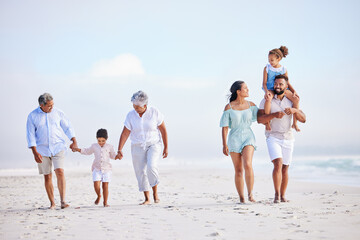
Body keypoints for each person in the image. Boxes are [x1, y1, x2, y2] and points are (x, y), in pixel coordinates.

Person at [257, 75, 306, 203]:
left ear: (286, 86)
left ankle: (283, 196)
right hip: (272, 136)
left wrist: (294, 110)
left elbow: (303, 119)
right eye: (276, 84)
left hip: (288, 137)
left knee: (285, 168)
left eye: (281, 84)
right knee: (278, 164)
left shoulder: (291, 100)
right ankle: (277, 195)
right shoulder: (266, 100)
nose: (277, 86)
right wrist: (273, 115)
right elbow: (260, 120)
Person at [26, 93, 78, 209]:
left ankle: (63, 201)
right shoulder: (32, 116)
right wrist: (35, 152)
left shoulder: (58, 113)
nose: (51, 107)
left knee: (60, 171)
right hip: (41, 150)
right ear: (41, 105)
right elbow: (30, 135)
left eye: (52, 105)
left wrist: (73, 141)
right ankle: (52, 203)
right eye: (49, 106)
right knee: (47, 176)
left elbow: (67, 127)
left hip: (58, 146)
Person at [116, 91, 168, 205]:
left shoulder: (154, 112)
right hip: (137, 145)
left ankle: (155, 192)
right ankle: (147, 198)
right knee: (140, 171)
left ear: (145, 105)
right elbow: (125, 133)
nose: (135, 108)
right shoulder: (130, 115)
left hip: (153, 143)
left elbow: (163, 130)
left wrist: (166, 147)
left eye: (138, 106)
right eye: (134, 106)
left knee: (151, 166)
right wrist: (119, 149)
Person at [220, 81, 258, 203]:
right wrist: (224, 144)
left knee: (247, 164)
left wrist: (268, 123)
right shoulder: (229, 107)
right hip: (234, 138)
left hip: (248, 136)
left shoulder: (251, 105)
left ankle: (250, 194)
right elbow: (225, 127)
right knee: (238, 170)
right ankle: (242, 198)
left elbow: (261, 117)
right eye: (245, 88)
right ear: (238, 91)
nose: (248, 90)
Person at [72, 129, 118, 207]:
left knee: (105, 185)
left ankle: (105, 202)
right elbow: (87, 151)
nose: (101, 143)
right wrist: (78, 149)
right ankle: (99, 195)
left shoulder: (110, 147)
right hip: (97, 169)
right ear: (96, 138)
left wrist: (118, 156)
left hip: (107, 169)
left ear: (107, 139)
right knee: (96, 184)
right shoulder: (94, 146)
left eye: (103, 141)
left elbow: (113, 156)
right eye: (99, 140)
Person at [262, 46, 301, 132]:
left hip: (282, 89)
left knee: (296, 99)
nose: (270, 62)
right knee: (268, 98)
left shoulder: (283, 69)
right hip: (271, 89)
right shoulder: (267, 68)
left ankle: (295, 123)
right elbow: (264, 83)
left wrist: (294, 91)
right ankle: (267, 122)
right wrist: (266, 91)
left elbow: (287, 83)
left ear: (278, 59)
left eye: (272, 60)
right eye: (269, 60)